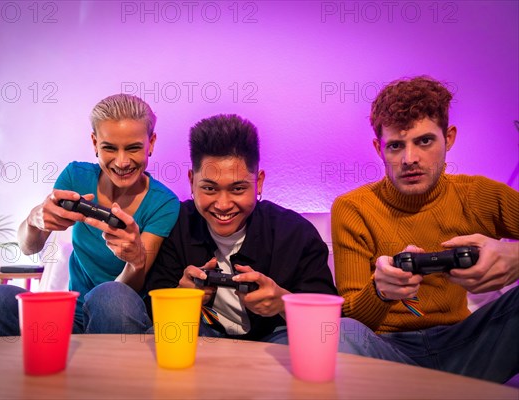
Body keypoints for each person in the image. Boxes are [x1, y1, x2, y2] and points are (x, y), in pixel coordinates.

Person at [331, 76, 519, 383]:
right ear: (379, 148)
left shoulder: (481, 195)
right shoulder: (353, 208)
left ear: (449, 137)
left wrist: (515, 255)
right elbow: (352, 322)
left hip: (468, 344)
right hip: (389, 353)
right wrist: (379, 292)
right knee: (340, 331)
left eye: (424, 141)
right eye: (395, 146)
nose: (410, 159)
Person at [0, 94, 180, 336]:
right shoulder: (76, 176)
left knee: (111, 296)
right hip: (69, 315)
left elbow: (132, 286)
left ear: (150, 143)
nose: (122, 162)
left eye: (133, 148)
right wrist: (35, 221)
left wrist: (136, 261)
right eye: (109, 148)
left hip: (119, 313)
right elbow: (29, 247)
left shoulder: (164, 203)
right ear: (94, 143)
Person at [112, 114, 338, 342]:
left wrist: (282, 302)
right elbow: (150, 312)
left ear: (258, 182)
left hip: (275, 344)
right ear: (191, 181)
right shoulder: (175, 224)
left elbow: (330, 322)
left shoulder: (295, 233)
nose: (223, 205)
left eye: (238, 189)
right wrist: (179, 299)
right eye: (209, 189)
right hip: (200, 339)